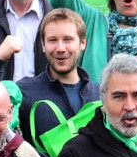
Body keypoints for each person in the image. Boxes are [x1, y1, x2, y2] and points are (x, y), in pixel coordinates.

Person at [16, 8, 97, 144]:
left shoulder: (100, 95)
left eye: (68, 40)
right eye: (52, 40)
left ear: (82, 43)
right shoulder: (25, 91)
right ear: (43, 45)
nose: (60, 48)